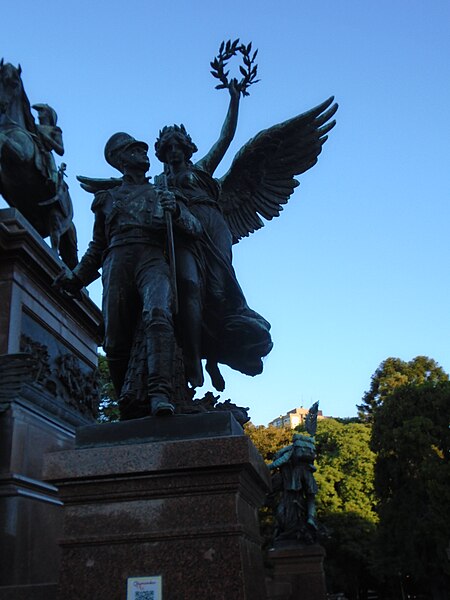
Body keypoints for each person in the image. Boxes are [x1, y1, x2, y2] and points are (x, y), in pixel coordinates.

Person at [58, 132, 202, 417]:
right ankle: (128, 405)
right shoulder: (106, 199)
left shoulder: (164, 193)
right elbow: (97, 246)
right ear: (120, 159)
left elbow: (195, 228)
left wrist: (178, 214)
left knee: (159, 311)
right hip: (117, 260)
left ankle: (161, 393)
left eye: (144, 151)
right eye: (135, 151)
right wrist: (76, 279)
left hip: (151, 257)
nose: (144, 154)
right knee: (114, 337)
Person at [154, 80, 272, 391]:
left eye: (178, 146)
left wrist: (234, 100)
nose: (173, 153)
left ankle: (214, 356)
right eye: (167, 149)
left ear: (187, 148)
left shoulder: (203, 169)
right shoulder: (158, 183)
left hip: (214, 232)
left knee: (219, 296)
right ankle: (193, 358)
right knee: (189, 287)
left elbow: (226, 137)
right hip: (183, 233)